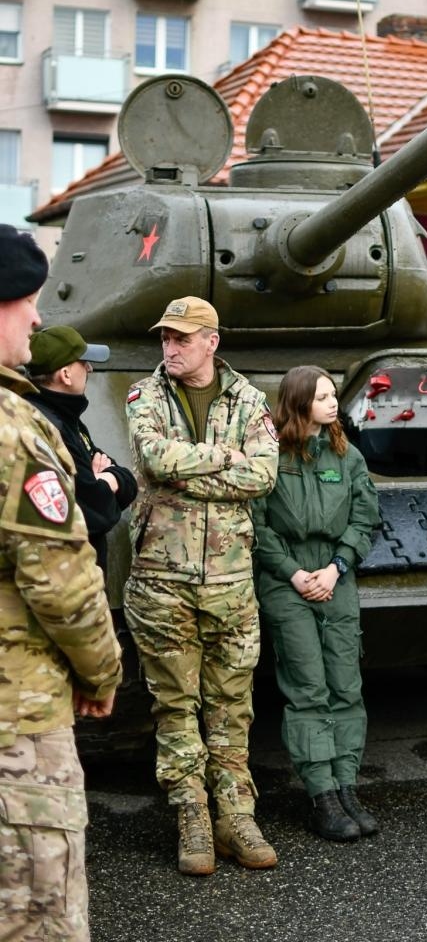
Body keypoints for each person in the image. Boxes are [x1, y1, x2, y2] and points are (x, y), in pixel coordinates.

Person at [123, 295, 279, 876]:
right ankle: (191, 815)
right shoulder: (145, 396)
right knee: (175, 705)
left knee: (232, 705)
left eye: (182, 339)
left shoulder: (249, 399)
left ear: (211, 342)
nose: (170, 348)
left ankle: (236, 815)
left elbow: (262, 474)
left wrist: (192, 477)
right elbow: (155, 458)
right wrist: (222, 458)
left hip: (232, 581)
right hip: (162, 580)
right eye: (165, 338)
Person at [0, 224, 121, 942]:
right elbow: (63, 583)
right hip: (17, 714)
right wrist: (102, 671)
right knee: (35, 914)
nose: (39, 318)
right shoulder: (16, 430)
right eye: (26, 301)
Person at [253, 365, 380, 843]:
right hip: (288, 581)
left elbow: (365, 519)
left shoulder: (347, 456)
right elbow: (258, 526)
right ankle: (321, 795)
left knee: (346, 685)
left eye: (334, 396)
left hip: (335, 579)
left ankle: (347, 786)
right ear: (299, 402)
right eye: (322, 397)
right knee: (308, 688)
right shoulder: (270, 455)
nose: (333, 404)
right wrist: (294, 573)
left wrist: (336, 567)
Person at [25, 325, 138, 574]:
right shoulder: (48, 425)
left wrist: (105, 480)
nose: (89, 368)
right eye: (83, 362)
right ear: (66, 374)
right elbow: (97, 513)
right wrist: (105, 483)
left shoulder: (67, 419)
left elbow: (127, 481)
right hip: (63, 580)